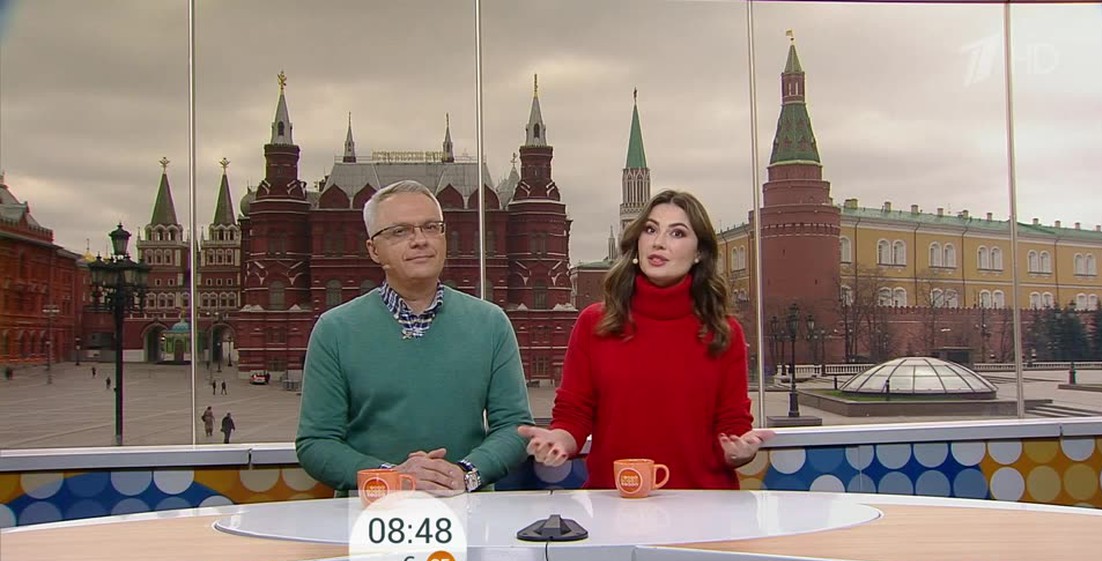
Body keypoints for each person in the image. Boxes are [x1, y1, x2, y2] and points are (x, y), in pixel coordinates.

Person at [518, 189, 775, 489]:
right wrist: (558, 440)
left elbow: (733, 426)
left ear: (700, 253)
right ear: (637, 243)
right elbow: (573, 415)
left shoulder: (723, 332)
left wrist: (739, 452)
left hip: (703, 504)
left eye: (677, 233)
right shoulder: (594, 324)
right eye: (650, 229)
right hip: (616, 501)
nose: (658, 242)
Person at [296, 179, 533, 495]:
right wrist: (392, 478)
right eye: (400, 231)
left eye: (431, 227)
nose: (420, 240)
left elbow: (515, 429)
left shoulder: (491, 323)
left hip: (468, 512)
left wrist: (465, 474)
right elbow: (316, 443)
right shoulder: (335, 330)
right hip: (372, 515)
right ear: (374, 250)